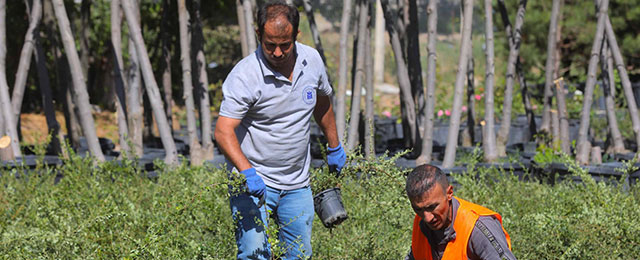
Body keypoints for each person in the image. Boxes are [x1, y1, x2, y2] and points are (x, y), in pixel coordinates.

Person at [214, 1, 346, 259]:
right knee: (254, 254)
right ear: (258, 34)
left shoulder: (312, 61)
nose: (277, 52)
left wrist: (335, 146)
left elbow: (322, 103)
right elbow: (223, 131)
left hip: (297, 184)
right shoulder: (245, 76)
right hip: (253, 182)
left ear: (296, 35)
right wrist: (248, 173)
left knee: (299, 254)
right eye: (269, 44)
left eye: (285, 45)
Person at [405, 164, 516, 260]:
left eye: (432, 207)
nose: (427, 218)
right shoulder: (421, 223)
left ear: (449, 193)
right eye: (418, 209)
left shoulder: (477, 227)